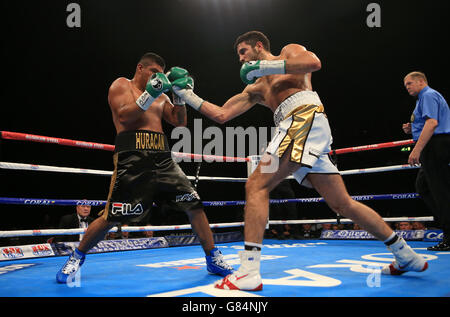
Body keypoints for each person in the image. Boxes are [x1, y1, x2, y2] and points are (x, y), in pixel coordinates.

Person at [170, 31, 428, 291]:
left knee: (256, 185)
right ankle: (405, 253)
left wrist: (265, 65)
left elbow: (314, 63)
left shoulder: (288, 53)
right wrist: (186, 95)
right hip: (299, 128)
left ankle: (249, 272)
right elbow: (222, 114)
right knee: (343, 204)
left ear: (259, 46)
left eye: (243, 52)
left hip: (303, 119)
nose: (241, 60)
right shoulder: (256, 88)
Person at [56, 52, 233, 283]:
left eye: (161, 74)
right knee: (112, 216)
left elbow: (179, 121)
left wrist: (179, 97)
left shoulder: (161, 95)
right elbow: (124, 116)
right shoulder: (122, 85)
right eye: (154, 73)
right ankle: (76, 257)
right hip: (132, 157)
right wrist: (151, 93)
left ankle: (212, 258)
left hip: (163, 157)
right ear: (140, 68)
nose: (158, 77)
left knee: (193, 202)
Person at [402, 71, 450, 251]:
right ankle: (445, 225)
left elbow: (432, 124)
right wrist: (411, 128)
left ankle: (449, 235)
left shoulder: (428, 95)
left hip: (436, 146)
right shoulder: (422, 99)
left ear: (421, 81)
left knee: (441, 192)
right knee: (423, 187)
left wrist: (417, 149)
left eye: (409, 83)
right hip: (434, 146)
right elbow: (426, 123)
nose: (407, 87)